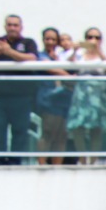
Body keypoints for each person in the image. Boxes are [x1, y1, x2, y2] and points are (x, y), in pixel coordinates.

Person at [0, 14, 40, 165]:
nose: (12, 28)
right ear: (5, 26)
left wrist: (8, 52)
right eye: (9, 25)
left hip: (21, 96)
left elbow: (32, 58)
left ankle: (15, 160)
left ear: (21, 27)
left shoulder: (28, 42)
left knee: (20, 129)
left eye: (15, 25)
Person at [67, 27, 106, 163]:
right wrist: (75, 49)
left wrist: (99, 51)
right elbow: (70, 65)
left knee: (96, 128)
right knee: (78, 127)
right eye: (90, 37)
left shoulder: (105, 55)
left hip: (98, 94)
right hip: (81, 93)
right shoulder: (80, 55)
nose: (93, 40)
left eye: (97, 37)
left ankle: (93, 161)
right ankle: (82, 159)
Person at [36, 26, 72, 165]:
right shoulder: (40, 55)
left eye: (53, 39)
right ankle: (42, 164)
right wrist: (70, 76)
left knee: (62, 135)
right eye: (47, 39)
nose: (50, 42)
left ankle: (57, 166)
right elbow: (49, 67)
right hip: (48, 99)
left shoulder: (63, 56)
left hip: (64, 99)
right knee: (48, 132)